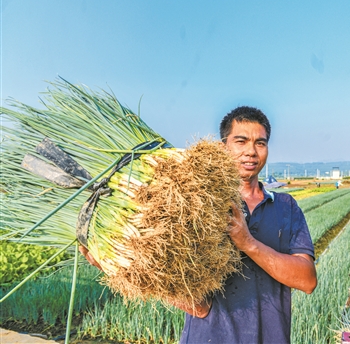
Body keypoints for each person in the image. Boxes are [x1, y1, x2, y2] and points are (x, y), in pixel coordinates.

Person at [81, 106, 317, 343]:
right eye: (241, 141)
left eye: (260, 143)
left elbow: (307, 281)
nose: (251, 152)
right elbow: (200, 308)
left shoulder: (286, 207)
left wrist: (248, 243)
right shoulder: (197, 202)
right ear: (223, 146)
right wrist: (123, 269)